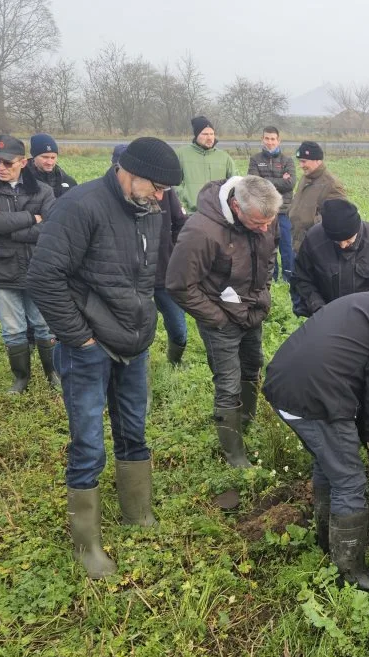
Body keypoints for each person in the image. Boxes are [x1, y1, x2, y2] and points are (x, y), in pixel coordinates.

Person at [27, 137, 184, 579]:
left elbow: (142, 279)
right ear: (127, 172)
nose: (161, 197)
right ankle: (87, 545)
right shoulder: (80, 206)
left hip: (133, 345)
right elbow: (43, 278)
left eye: (166, 191)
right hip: (88, 350)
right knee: (89, 443)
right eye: (156, 187)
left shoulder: (150, 211)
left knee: (134, 429)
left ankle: (137, 511)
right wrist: (80, 339)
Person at [262, 280, 369, 592]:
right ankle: (351, 571)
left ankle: (327, 539)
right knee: (349, 481)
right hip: (316, 395)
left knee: (327, 464)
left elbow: (364, 379)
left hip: (285, 384)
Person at [167, 176, 279, 469]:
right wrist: (216, 317)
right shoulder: (201, 231)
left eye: (270, 222)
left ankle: (246, 424)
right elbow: (179, 285)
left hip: (252, 312)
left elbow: (268, 259)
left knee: (253, 366)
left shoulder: (265, 216)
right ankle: (235, 456)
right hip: (220, 319)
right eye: (258, 224)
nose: (266, 228)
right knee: (228, 383)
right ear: (235, 207)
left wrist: (263, 293)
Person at [0, 134, 58, 393]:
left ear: (23, 162)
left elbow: (51, 229)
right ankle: (21, 378)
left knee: (43, 323)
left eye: (7, 163)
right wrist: (32, 217)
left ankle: (53, 374)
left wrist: (8, 226)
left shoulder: (44, 191)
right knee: (13, 329)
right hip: (1, 268)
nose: (1, 168)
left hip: (37, 267)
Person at [113, 143, 190, 366]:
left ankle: (175, 361)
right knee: (138, 331)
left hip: (165, 274)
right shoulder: (110, 201)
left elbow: (180, 223)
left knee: (179, 328)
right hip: (133, 282)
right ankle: (139, 368)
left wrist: (173, 251)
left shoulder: (164, 192)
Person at [292, 199, 369, 317]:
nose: (343, 245)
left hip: (368, 317)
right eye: (337, 241)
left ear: (356, 229)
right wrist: (319, 309)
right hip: (325, 315)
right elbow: (302, 279)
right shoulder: (313, 240)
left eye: (348, 240)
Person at [287, 140, 347, 307]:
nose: (301, 165)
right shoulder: (306, 179)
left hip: (314, 246)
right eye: (300, 161)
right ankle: (299, 314)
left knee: (312, 287)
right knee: (298, 283)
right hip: (297, 242)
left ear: (317, 160)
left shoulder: (331, 184)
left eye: (304, 161)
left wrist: (313, 223)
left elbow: (338, 215)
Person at [248, 126, 297, 282]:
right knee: (268, 246)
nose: (270, 142)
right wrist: (280, 180)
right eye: (267, 138)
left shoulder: (287, 160)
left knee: (286, 247)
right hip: (265, 211)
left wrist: (265, 181)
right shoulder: (255, 160)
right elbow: (254, 183)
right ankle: (272, 276)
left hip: (284, 211)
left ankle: (288, 277)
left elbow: (290, 184)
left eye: (273, 139)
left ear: (278, 140)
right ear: (262, 139)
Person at [174, 116, 237, 213]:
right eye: (205, 134)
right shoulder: (180, 155)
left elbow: (235, 183)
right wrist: (184, 203)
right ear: (196, 134)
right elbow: (174, 184)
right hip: (190, 213)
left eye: (212, 134)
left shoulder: (225, 157)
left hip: (218, 214)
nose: (210, 138)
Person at [26, 133, 78, 198]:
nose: (50, 162)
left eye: (53, 158)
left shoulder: (68, 182)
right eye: (45, 157)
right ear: (34, 157)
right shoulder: (21, 180)